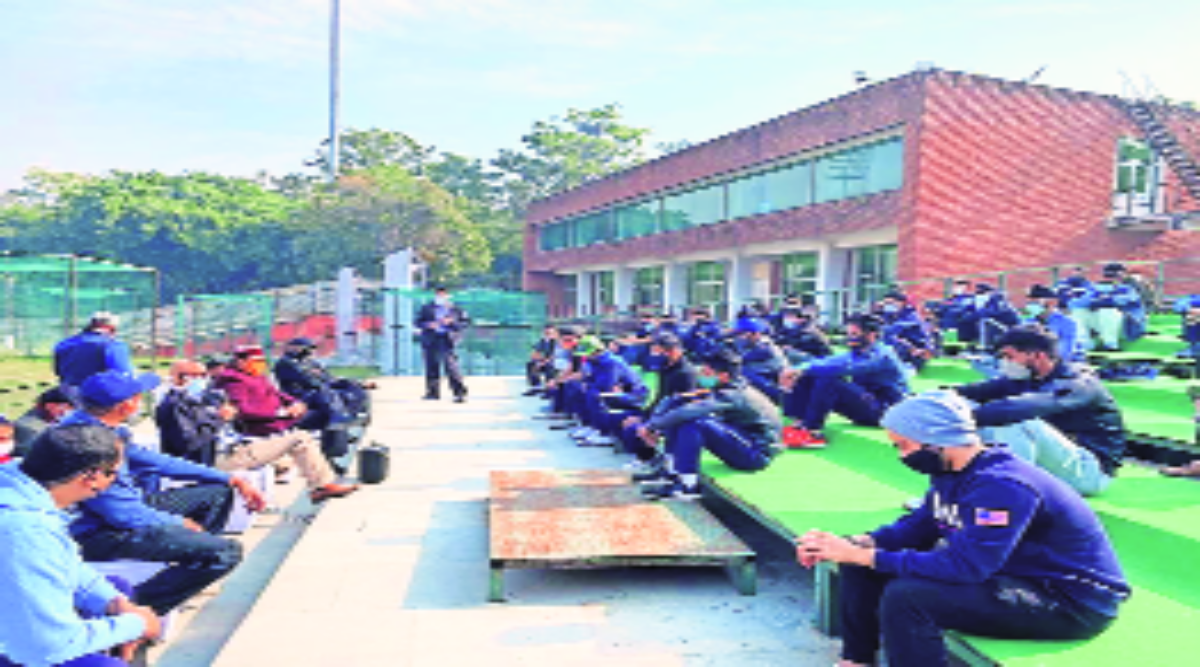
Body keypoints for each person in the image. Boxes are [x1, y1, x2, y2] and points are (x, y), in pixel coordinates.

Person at [798, 391, 1128, 667]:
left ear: (936, 440)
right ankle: (857, 660)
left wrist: (865, 555)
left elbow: (967, 566)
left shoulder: (1002, 485)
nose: (900, 455)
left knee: (908, 597)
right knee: (859, 563)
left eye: (903, 445)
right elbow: (918, 527)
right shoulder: (951, 470)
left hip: (1069, 601)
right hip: (1013, 575)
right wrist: (855, 543)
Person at [64, 371, 261, 616]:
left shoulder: (99, 428)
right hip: (96, 533)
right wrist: (178, 523)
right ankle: (135, 610)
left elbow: (156, 462)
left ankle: (191, 568)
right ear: (126, 405)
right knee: (225, 552)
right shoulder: (90, 444)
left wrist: (228, 478)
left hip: (120, 512)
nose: (141, 401)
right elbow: (122, 515)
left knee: (218, 493)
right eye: (139, 396)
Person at [0, 425, 164, 667]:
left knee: (116, 590)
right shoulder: (24, 531)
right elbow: (46, 647)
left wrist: (115, 603)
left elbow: (69, 565)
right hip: (26, 646)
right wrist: (136, 625)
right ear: (92, 477)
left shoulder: (21, 489)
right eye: (115, 473)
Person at [954, 327, 1126, 496]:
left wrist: (961, 419)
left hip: (1090, 471)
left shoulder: (1079, 384)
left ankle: (1011, 493)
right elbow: (962, 393)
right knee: (964, 405)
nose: (1004, 362)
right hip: (1053, 462)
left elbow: (1020, 408)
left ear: (1038, 356)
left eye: (1009, 356)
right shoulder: (1023, 378)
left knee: (1014, 421)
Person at [636, 348, 781, 501]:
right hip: (743, 441)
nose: (701, 376)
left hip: (756, 454)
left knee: (694, 422)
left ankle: (688, 486)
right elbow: (681, 404)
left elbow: (689, 412)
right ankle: (670, 471)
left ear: (724, 376)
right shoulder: (727, 387)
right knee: (682, 410)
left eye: (707, 373)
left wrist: (650, 427)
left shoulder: (733, 395)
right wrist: (657, 425)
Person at [780, 314, 910, 449]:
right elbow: (828, 361)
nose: (850, 338)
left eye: (854, 334)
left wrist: (806, 369)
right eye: (848, 334)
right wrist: (798, 369)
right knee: (808, 375)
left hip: (886, 411)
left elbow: (849, 368)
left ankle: (812, 431)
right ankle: (799, 424)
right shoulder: (856, 353)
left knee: (828, 379)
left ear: (871, 335)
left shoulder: (882, 355)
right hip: (869, 404)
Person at [619, 332, 700, 467]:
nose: (659, 355)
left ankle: (651, 459)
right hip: (662, 410)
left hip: (675, 416)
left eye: (661, 351)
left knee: (640, 428)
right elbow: (661, 396)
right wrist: (645, 416)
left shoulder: (686, 372)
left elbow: (685, 403)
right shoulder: (665, 368)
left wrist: (655, 424)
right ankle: (645, 458)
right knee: (628, 423)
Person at [53, 312, 135, 392]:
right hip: (98, 395)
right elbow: (124, 375)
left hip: (67, 393)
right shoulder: (113, 345)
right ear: (112, 329)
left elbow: (58, 371)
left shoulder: (64, 344)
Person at [1069, 264, 1143, 352]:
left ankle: (1111, 344)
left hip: (1127, 327)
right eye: (1107, 275)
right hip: (1103, 323)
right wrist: (1093, 301)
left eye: (1113, 275)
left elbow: (1128, 300)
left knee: (1108, 309)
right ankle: (1085, 343)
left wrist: (1108, 299)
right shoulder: (1094, 288)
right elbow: (1074, 304)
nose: (1109, 278)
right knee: (1079, 311)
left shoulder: (1128, 288)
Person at [415, 286, 471, 402]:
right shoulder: (427, 308)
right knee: (431, 365)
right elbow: (418, 322)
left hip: (447, 339)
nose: (441, 296)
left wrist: (451, 322)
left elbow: (464, 323)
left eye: (443, 294)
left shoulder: (456, 309)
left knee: (451, 366)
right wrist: (428, 325)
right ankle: (432, 392)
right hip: (431, 338)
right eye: (438, 294)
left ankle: (459, 392)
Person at [732, 317, 788, 402]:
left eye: (743, 333)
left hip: (774, 376)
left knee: (743, 372)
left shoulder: (765, 345)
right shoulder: (749, 343)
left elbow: (742, 359)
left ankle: (777, 396)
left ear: (755, 334)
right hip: (762, 373)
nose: (740, 336)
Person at [1025, 284, 1084, 362]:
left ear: (1052, 302)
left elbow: (1065, 352)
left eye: (1036, 302)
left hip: (1068, 363)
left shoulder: (1067, 323)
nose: (1032, 305)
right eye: (1030, 302)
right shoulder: (1027, 322)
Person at [877, 292, 936, 371]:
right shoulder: (889, 316)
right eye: (886, 303)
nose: (888, 306)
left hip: (914, 353)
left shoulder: (911, 317)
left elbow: (891, 331)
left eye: (891, 303)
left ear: (902, 303)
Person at [13, 387, 75, 458]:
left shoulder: (58, 421)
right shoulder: (30, 428)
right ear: (49, 406)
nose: (70, 412)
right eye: (68, 407)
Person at [524, 325, 561, 396]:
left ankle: (549, 389)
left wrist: (543, 362)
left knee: (550, 366)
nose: (547, 335)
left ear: (555, 333)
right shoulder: (543, 341)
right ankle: (536, 387)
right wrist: (538, 360)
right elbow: (534, 353)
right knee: (530, 364)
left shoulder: (558, 342)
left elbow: (555, 355)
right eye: (546, 333)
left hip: (555, 362)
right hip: (544, 361)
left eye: (549, 333)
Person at [1174, 294, 1200, 359]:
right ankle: (1195, 347)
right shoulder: (1192, 298)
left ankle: (1195, 348)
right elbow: (1178, 307)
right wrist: (1189, 309)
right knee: (1192, 317)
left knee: (1193, 317)